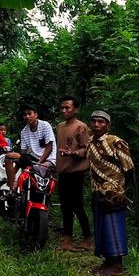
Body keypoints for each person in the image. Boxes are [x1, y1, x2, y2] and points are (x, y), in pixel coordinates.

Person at [86, 110, 135, 276]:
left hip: (113, 192)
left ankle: (117, 264)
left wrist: (121, 188)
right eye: (94, 121)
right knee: (101, 225)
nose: (97, 125)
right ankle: (107, 260)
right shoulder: (90, 142)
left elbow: (128, 168)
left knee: (113, 224)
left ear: (108, 125)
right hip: (97, 191)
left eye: (101, 122)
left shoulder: (116, 142)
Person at [54, 96, 92, 252]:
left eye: (67, 108)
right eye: (62, 107)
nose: (64, 110)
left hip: (76, 172)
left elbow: (86, 149)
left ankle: (88, 238)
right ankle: (67, 238)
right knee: (65, 206)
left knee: (77, 206)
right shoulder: (60, 127)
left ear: (76, 109)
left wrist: (73, 153)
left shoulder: (81, 127)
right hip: (63, 172)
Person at [18, 104, 56, 169]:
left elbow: (49, 148)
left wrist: (39, 162)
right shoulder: (23, 132)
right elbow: (23, 151)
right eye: (25, 115)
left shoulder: (45, 125)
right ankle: (12, 179)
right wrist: (20, 160)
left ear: (35, 115)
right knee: (10, 157)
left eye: (29, 114)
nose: (27, 116)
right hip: (34, 158)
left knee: (39, 168)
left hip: (49, 158)